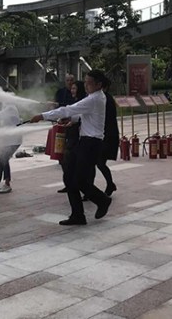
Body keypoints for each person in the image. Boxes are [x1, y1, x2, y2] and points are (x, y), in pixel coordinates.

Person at [28, 70, 112, 226]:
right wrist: (71, 119)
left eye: (89, 83)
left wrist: (42, 116)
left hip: (91, 143)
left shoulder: (94, 98)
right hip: (85, 141)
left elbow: (68, 109)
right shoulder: (96, 97)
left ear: (99, 84)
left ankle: (102, 200)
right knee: (69, 177)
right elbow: (80, 114)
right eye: (85, 82)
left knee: (79, 180)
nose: (85, 85)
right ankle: (77, 215)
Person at [58, 81, 86, 194]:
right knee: (65, 161)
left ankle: (78, 187)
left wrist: (72, 121)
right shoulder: (74, 101)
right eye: (72, 88)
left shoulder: (83, 102)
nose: (72, 90)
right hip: (70, 135)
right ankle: (69, 185)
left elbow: (81, 118)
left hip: (78, 137)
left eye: (74, 88)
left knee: (71, 162)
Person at [94, 78, 119, 197]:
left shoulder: (104, 99)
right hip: (107, 133)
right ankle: (110, 184)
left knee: (99, 162)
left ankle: (110, 184)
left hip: (107, 135)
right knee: (99, 162)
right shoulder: (106, 98)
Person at [0, 104, 21, 195]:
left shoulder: (11, 107)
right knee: (2, 159)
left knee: (3, 158)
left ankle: (5, 184)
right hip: (7, 140)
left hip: (14, 140)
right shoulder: (5, 107)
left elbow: (0, 115)